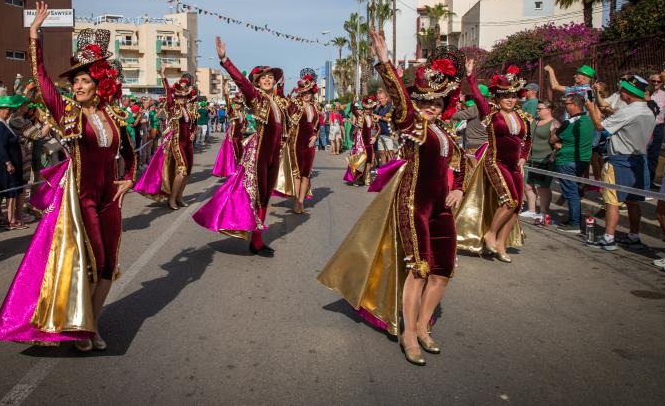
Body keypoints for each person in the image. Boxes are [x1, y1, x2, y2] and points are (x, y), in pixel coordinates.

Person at [0, 2, 135, 351]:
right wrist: (33, 35)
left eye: (85, 81)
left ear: (100, 84)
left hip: (109, 199)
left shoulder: (114, 116)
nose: (78, 87)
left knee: (108, 266)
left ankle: (93, 325)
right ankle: (78, 325)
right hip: (81, 198)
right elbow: (41, 80)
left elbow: (130, 156)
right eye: (76, 82)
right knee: (91, 259)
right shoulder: (68, 114)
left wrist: (128, 180)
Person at [318, 31, 466, 366]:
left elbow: (459, 162)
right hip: (414, 205)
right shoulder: (414, 126)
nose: (431, 107)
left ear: (445, 105)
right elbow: (400, 102)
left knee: (442, 272)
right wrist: (385, 61)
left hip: (441, 210)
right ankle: (409, 334)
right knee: (419, 269)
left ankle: (423, 327)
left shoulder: (447, 132)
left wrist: (457, 186)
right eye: (425, 101)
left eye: (437, 102)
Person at [193, 36, 287, 257]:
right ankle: (256, 241)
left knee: (265, 196)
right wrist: (225, 60)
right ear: (257, 82)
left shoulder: (277, 102)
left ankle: (257, 238)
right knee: (256, 195)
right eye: (263, 77)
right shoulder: (257, 99)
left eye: (270, 77)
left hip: (273, 154)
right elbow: (242, 83)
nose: (268, 79)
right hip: (258, 154)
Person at [454, 61, 532, 262]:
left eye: (513, 96)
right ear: (497, 97)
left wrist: (523, 159)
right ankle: (490, 233)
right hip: (495, 161)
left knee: (517, 206)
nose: (509, 100)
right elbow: (479, 98)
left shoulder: (522, 116)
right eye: (505, 96)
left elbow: (527, 140)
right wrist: (471, 77)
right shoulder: (492, 113)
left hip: (515, 166)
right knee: (509, 200)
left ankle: (500, 242)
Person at [584, 74, 655, 251]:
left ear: (628, 92)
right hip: (638, 159)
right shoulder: (647, 110)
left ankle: (609, 237)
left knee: (612, 201)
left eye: (623, 89)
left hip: (619, 159)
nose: (620, 91)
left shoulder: (629, 110)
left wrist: (591, 108)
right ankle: (634, 236)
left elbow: (601, 126)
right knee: (633, 201)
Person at [134, 64, 194, 210]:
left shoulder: (188, 108)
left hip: (187, 142)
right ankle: (172, 199)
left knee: (188, 171)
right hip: (176, 141)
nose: (182, 98)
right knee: (181, 170)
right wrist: (163, 76)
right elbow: (168, 92)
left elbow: (192, 123)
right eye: (179, 95)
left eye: (184, 96)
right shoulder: (172, 106)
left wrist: (193, 132)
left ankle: (179, 196)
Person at [551, 93, 594, 231]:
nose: (565, 106)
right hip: (583, 160)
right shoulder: (588, 120)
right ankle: (572, 219)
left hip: (567, 160)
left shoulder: (569, 123)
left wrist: (557, 139)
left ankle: (575, 222)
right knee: (573, 190)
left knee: (571, 192)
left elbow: (552, 139)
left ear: (575, 105)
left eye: (567, 104)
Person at [0, 95, 28, 229]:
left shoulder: (0, 123)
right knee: (12, 191)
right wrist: (8, 163)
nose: (9, 111)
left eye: (10, 109)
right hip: (3, 164)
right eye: (7, 109)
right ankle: (12, 220)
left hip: (0, 163)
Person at [287, 74, 320, 214]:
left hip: (310, 145)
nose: (307, 95)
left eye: (309, 93)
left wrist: (315, 137)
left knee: (306, 173)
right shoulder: (296, 105)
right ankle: (296, 201)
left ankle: (301, 200)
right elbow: (287, 111)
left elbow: (318, 127)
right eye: (305, 93)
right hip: (297, 143)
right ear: (301, 94)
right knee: (297, 173)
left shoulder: (316, 108)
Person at [521, 100, 557, 222]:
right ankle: (532, 210)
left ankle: (543, 212)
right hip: (530, 158)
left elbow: (557, 142)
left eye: (540, 109)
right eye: (537, 109)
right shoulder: (534, 122)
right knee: (528, 185)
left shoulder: (554, 123)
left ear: (549, 109)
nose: (537, 111)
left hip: (544, 159)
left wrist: (553, 156)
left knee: (542, 187)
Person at [343, 95, 379, 186]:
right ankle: (356, 179)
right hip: (361, 143)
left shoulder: (373, 117)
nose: (368, 110)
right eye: (366, 108)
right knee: (359, 161)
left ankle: (365, 178)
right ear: (363, 107)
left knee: (369, 161)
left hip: (369, 143)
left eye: (370, 108)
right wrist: (353, 102)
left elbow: (379, 129)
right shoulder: (359, 115)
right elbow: (353, 109)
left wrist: (375, 137)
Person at [212, 87, 245, 178]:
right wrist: (226, 95)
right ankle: (231, 170)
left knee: (240, 154)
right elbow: (228, 104)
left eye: (239, 103)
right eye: (236, 103)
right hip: (232, 137)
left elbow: (245, 124)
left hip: (240, 137)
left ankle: (238, 170)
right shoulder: (232, 112)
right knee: (232, 154)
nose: (238, 105)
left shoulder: (243, 113)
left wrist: (244, 128)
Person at [646, 72, 665, 185]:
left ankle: (650, 181)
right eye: (653, 81)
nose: (655, 83)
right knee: (643, 155)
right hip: (645, 128)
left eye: (658, 81)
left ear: (661, 82)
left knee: (654, 156)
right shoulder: (643, 93)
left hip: (658, 128)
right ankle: (643, 182)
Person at [374, 88, 396, 165]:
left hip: (389, 134)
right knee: (382, 154)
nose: (380, 100)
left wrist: (379, 117)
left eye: (382, 98)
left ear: (386, 98)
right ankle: (383, 173)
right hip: (381, 134)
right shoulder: (379, 108)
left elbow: (389, 119)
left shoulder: (390, 107)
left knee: (389, 154)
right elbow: (375, 117)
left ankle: (390, 173)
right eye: (379, 99)